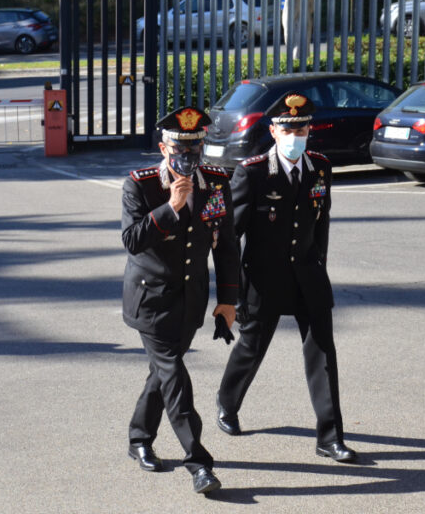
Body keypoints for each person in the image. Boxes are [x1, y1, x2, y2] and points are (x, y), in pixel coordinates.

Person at [215, 92, 358, 464]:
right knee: (251, 349)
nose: (296, 133)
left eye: (302, 127)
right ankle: (227, 403)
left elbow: (321, 223)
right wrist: (233, 293)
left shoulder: (320, 167)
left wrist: (320, 269)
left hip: (308, 276)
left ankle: (329, 437)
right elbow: (231, 238)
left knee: (324, 354)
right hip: (264, 280)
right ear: (273, 131)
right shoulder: (254, 171)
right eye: (288, 127)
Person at [121, 106, 238, 494]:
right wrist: (169, 208)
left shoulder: (217, 183)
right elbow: (133, 240)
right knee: (175, 378)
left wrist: (228, 300)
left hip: (191, 302)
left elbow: (226, 248)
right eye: (179, 150)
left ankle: (139, 438)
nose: (187, 158)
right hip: (150, 303)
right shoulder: (141, 185)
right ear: (163, 147)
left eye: (195, 149)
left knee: (161, 377)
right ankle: (199, 463)